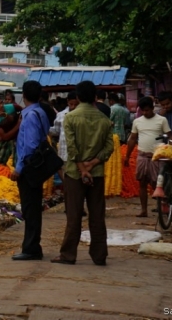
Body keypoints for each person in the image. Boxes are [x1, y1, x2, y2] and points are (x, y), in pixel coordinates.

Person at [52, 80, 115, 265]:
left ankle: (68, 254)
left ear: (78, 97)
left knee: (74, 215)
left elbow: (71, 148)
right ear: (95, 97)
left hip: (74, 173)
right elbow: (109, 147)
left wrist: (81, 168)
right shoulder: (104, 120)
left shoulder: (70, 118)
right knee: (97, 216)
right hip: (96, 173)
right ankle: (99, 255)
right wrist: (92, 164)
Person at [9, 80, 51, 261]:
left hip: (29, 167)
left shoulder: (31, 115)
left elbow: (30, 146)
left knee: (30, 208)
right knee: (32, 207)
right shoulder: (40, 112)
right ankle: (31, 246)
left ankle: (32, 247)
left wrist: (19, 169)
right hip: (36, 166)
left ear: (23, 95)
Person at [124, 96, 172, 218]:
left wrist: (171, 151)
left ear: (152, 108)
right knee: (142, 183)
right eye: (143, 110)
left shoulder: (162, 120)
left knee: (157, 183)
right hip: (142, 156)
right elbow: (132, 139)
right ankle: (143, 210)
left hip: (157, 157)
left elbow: (170, 136)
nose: (145, 113)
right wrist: (127, 156)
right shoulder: (137, 121)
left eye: (147, 110)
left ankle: (162, 206)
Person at [0, 94, 22, 165]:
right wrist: (18, 124)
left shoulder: (12, 107)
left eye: (1, 103)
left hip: (20, 137)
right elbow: (5, 136)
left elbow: (25, 112)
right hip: (7, 141)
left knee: (18, 162)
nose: (1, 105)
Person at [50, 91, 79, 163]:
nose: (73, 107)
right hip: (63, 153)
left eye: (76, 104)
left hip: (77, 154)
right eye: (71, 104)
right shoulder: (61, 115)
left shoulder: (81, 115)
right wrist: (45, 128)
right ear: (67, 102)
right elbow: (56, 131)